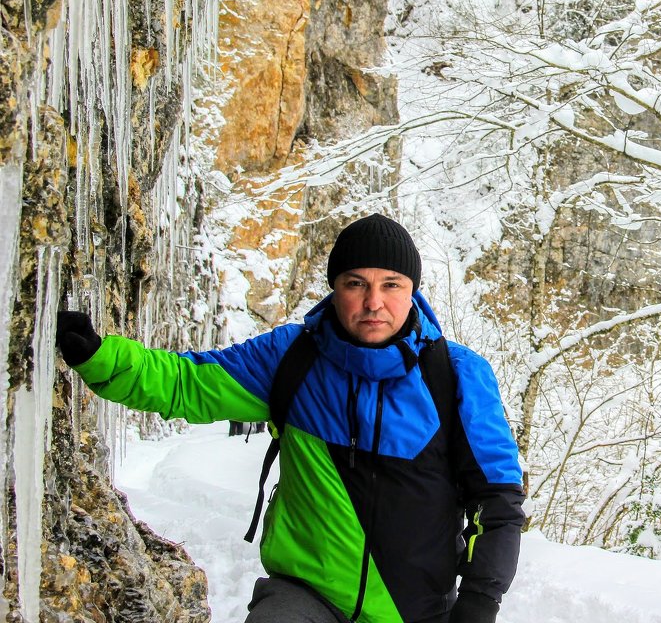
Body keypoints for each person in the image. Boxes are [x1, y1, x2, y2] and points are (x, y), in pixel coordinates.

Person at [56, 214, 525, 623]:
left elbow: (498, 501)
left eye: (391, 285)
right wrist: (101, 358)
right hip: (303, 596)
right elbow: (187, 383)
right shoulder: (291, 357)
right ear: (335, 288)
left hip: (416, 610)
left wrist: (480, 602)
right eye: (355, 283)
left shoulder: (457, 375)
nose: (373, 302)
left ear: (412, 291)